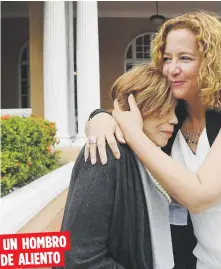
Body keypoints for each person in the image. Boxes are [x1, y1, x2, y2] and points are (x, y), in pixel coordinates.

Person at [85, 11, 221, 269]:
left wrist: (133, 135)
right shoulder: (171, 117)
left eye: (185, 58)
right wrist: (100, 118)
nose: (171, 69)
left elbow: (199, 196)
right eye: (167, 58)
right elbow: (126, 108)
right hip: (203, 259)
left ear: (212, 62)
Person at [58, 64, 176, 269]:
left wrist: (99, 115)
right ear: (135, 108)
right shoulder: (106, 154)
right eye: (166, 109)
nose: (174, 119)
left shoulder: (150, 151)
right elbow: (80, 257)